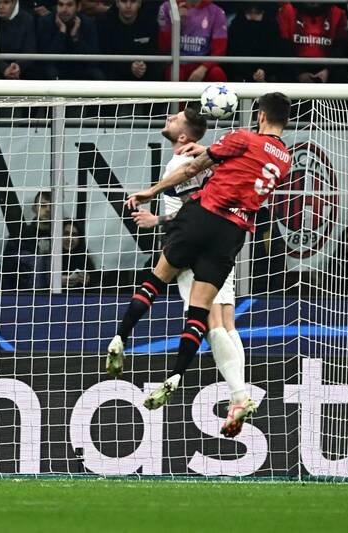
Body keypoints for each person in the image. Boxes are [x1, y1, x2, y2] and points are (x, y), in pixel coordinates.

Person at [107, 92, 292, 439]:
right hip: (233, 234)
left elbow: (194, 171)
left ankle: (121, 337)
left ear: (261, 116)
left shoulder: (241, 137)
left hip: (202, 219)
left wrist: (151, 195)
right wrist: (214, 155)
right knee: (219, 320)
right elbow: (242, 171)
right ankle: (235, 395)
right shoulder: (285, 161)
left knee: (168, 290)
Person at [129, 107, 250, 427]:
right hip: (223, 239)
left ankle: (239, 395)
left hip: (196, 245)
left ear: (183, 135)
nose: (168, 118)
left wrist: (157, 220)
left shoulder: (181, 163)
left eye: (175, 119)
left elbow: (195, 208)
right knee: (225, 321)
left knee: (211, 321)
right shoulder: (208, 159)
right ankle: (240, 395)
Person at [277, 1, 348, 84]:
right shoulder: (287, 10)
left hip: (327, 67)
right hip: (295, 66)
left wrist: (328, 70)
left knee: (341, 74)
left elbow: (340, 48)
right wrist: (299, 73)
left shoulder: (338, 13)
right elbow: (283, 46)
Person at [158, 0, 228, 83]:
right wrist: (175, 23)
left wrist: (203, 68)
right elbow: (163, 47)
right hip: (176, 62)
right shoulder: (167, 7)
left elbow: (220, 50)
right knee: (174, 73)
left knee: (216, 73)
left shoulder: (216, 12)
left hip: (202, 65)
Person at [36, 0, 104, 80]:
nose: (64, 9)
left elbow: (93, 60)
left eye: (69, 5)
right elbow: (47, 60)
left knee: (96, 74)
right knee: (49, 72)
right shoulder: (46, 22)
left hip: (80, 67)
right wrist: (62, 32)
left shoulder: (88, 23)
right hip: (56, 67)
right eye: (60, 4)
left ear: (78, 7)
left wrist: (75, 38)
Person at [97, 0, 161, 82]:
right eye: (124, 1)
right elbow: (104, 60)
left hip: (145, 76)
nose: (128, 6)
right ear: (117, 3)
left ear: (139, 3)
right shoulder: (103, 23)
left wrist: (144, 66)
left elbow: (155, 54)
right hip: (114, 80)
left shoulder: (150, 23)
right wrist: (128, 68)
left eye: (133, 1)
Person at [1, 191, 52, 290]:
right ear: (34, 208)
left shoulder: (66, 238)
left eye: (52, 206)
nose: (48, 209)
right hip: (25, 294)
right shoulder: (19, 237)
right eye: (43, 205)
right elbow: (7, 275)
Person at [226, 2, 283, 83]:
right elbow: (232, 52)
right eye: (249, 12)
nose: (253, 16)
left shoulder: (271, 25)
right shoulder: (237, 25)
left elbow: (275, 51)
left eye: (257, 12)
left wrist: (264, 70)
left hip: (267, 72)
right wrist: (250, 74)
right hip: (240, 72)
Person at [62, 220, 96, 290]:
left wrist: (87, 281)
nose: (70, 239)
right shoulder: (50, 258)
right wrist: (56, 281)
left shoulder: (85, 260)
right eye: (66, 234)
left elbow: (94, 288)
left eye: (74, 235)